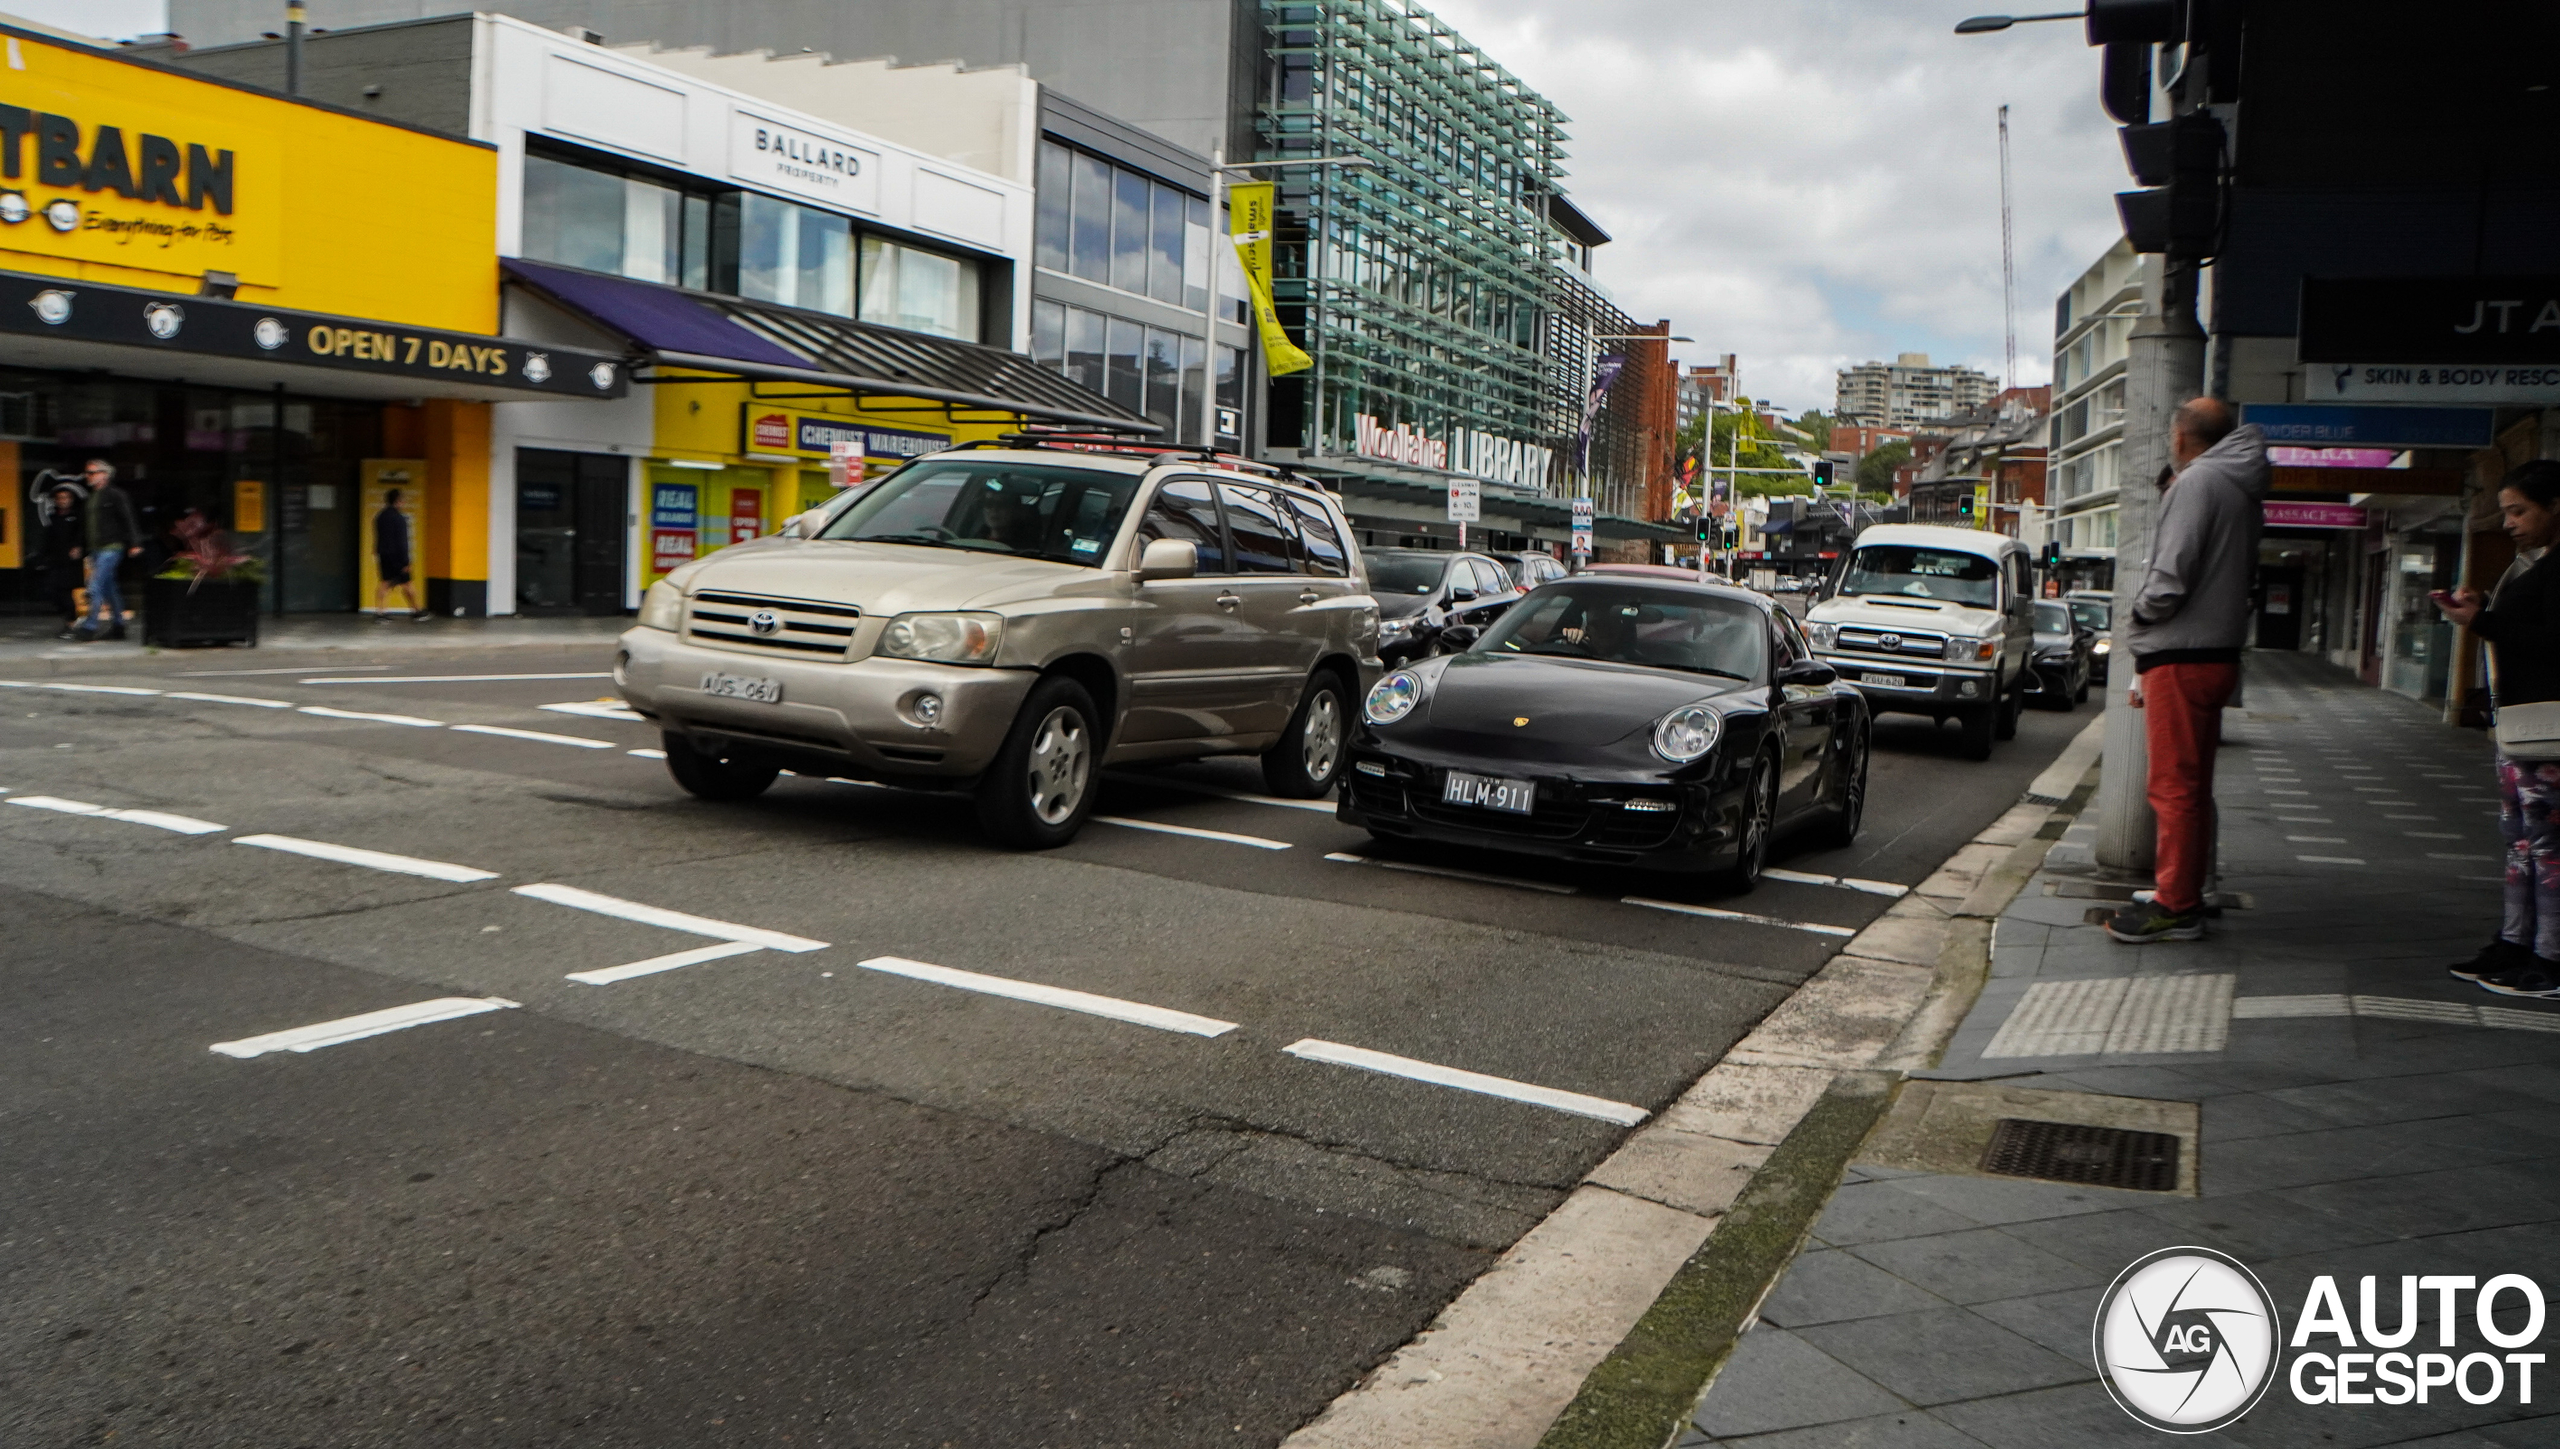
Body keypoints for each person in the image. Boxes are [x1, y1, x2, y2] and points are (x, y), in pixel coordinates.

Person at [2105, 398, 2268, 944]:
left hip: (2181, 654)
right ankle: (2186, 890)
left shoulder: (2196, 484)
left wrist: (2139, 617)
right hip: (2214, 654)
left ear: (2180, 438)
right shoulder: (2239, 484)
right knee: (2192, 787)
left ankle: (2175, 905)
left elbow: (2169, 576)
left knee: (2172, 787)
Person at [2435, 460, 2560, 996]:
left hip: (2550, 728)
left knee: (2548, 845)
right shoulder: (2536, 564)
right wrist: (2484, 610)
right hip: (2520, 725)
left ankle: (2551, 957)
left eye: (2519, 511)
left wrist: (2482, 620)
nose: (2508, 522)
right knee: (2521, 843)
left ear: (2557, 506)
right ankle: (2516, 941)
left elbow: (2552, 641)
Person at [73, 460, 139, 643]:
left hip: (111, 547)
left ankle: (90, 626)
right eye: (87, 473)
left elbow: (128, 518)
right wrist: (79, 544)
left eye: (92, 472)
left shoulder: (116, 495)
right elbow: (84, 524)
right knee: (110, 588)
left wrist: (134, 542)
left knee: (96, 584)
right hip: (96, 548)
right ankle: (119, 625)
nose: (88, 476)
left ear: (105, 474)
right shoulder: (91, 498)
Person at [37, 484, 85, 639]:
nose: (63, 501)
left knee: (66, 592)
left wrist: (78, 547)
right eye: (60, 498)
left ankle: (71, 623)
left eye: (66, 498)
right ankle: (70, 619)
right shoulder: (53, 518)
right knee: (52, 590)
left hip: (71, 562)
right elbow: (48, 540)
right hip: (56, 560)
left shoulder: (77, 517)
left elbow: (82, 535)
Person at [372, 487, 425, 621]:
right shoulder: (400, 518)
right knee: (407, 583)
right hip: (398, 557)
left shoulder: (380, 517)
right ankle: (416, 610)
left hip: (384, 555)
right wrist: (406, 561)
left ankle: (380, 611)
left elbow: (378, 536)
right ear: (398, 501)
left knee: (384, 582)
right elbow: (402, 542)